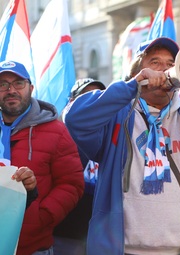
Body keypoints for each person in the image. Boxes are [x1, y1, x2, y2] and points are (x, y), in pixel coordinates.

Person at [64, 37, 180, 255]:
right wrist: (131, 88)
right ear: (138, 72)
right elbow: (75, 118)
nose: (164, 70)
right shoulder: (118, 117)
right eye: (155, 62)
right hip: (121, 249)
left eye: (171, 64)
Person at [0, 60, 84, 255]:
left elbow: (72, 184)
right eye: (3, 84)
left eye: (18, 83)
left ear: (31, 88)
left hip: (33, 247)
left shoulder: (56, 131)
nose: (11, 90)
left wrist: (42, 217)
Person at [54, 78, 106, 255]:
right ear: (71, 103)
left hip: (102, 237)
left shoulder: (113, 137)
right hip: (66, 236)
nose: (92, 102)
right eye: (85, 96)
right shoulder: (59, 139)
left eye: (99, 97)